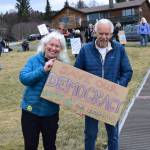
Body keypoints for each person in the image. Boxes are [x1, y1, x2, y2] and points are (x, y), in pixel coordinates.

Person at [74, 19, 133, 150]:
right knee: (90, 134)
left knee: (113, 135)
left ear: (112, 34)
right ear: (95, 32)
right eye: (101, 33)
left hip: (111, 99)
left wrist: (117, 86)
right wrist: (79, 101)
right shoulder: (85, 50)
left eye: (107, 34)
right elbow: (76, 74)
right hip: (90, 99)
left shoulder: (119, 49)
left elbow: (128, 71)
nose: (104, 37)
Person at [19, 31, 70, 150]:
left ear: (61, 49)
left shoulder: (63, 67)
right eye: (51, 45)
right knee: (30, 145)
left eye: (57, 46)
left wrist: (80, 106)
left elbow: (68, 92)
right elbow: (24, 78)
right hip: (30, 111)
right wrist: (43, 70)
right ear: (45, 45)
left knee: (50, 145)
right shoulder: (33, 60)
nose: (53, 48)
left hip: (50, 113)